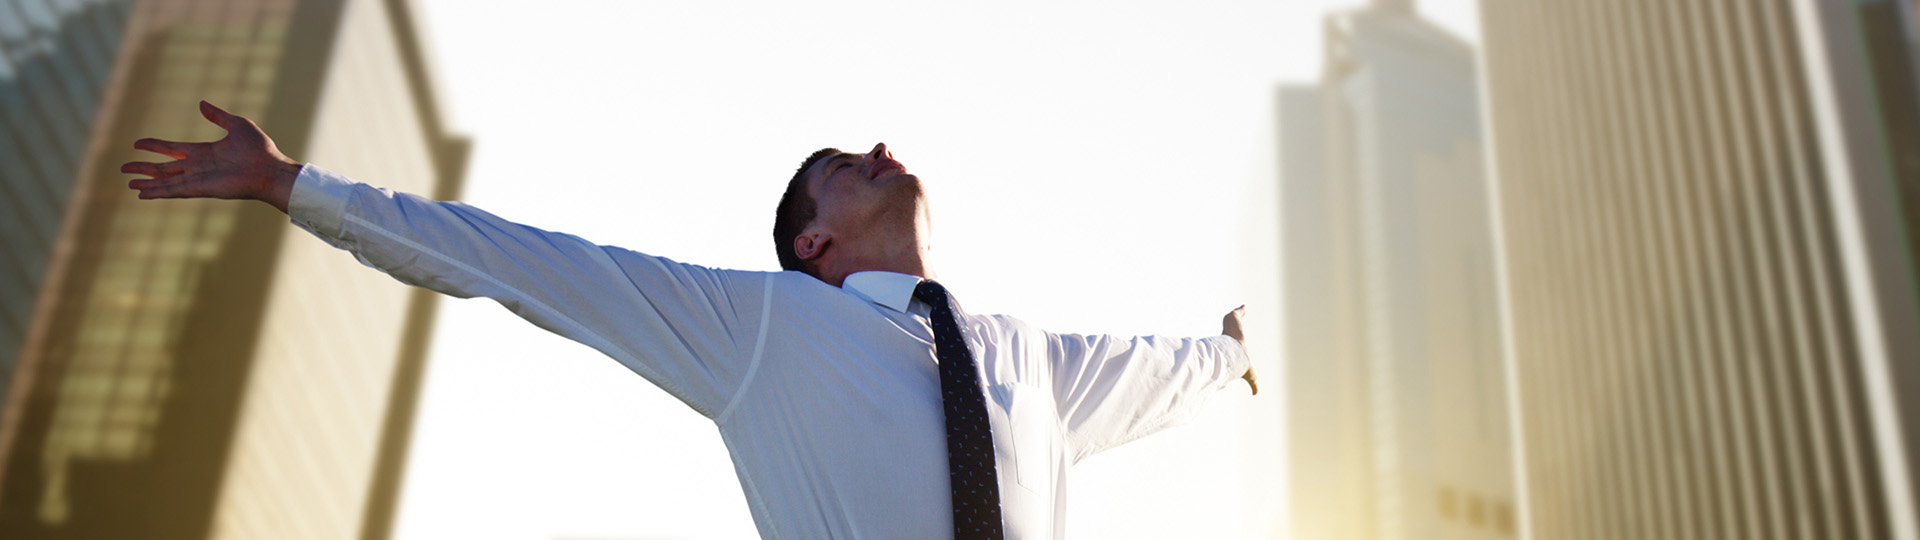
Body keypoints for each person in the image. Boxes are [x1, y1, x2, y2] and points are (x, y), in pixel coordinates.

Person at [123, 101, 1258, 540]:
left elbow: (1168, 369)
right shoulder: (761, 327)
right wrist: (294, 187)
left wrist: (1234, 356)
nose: (879, 150)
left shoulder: (1030, 362)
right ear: (812, 247)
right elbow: (525, 264)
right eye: (843, 167)